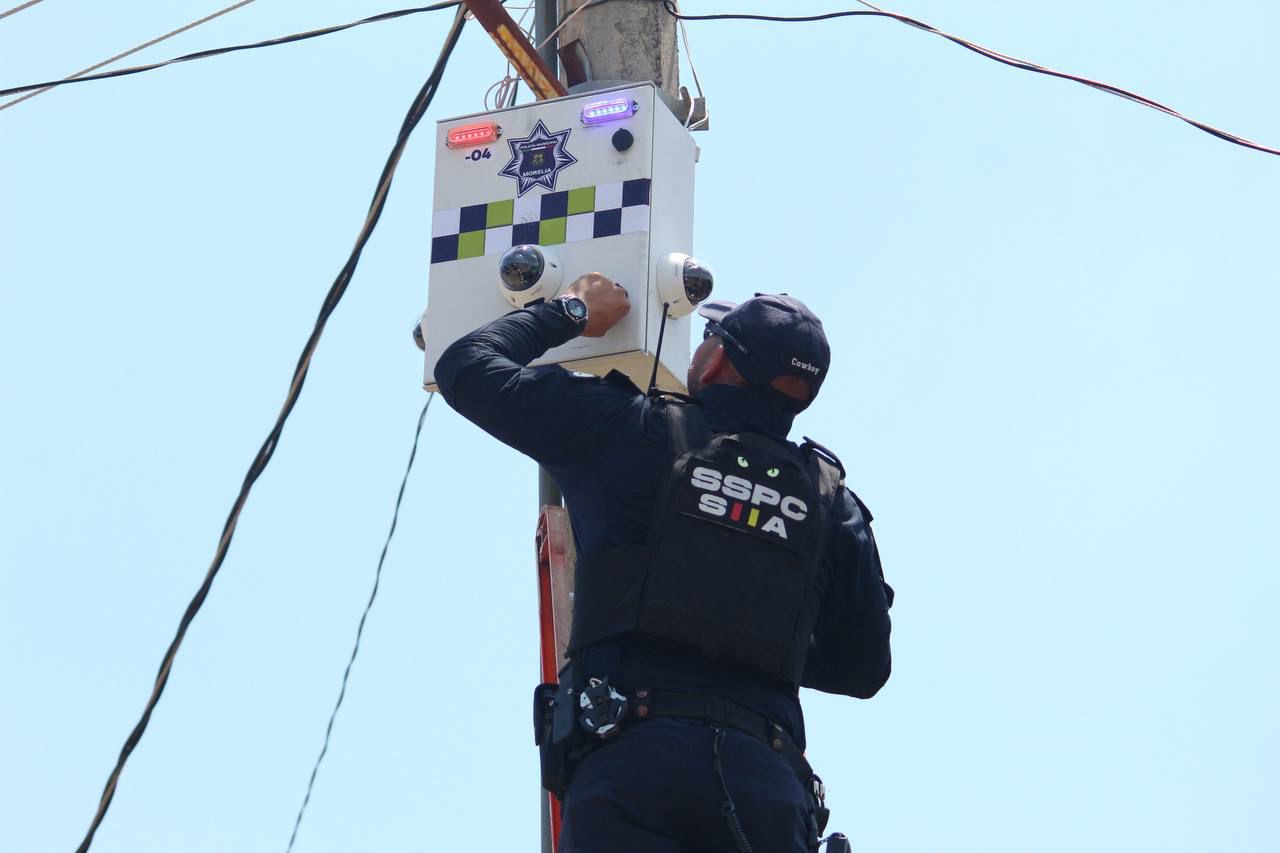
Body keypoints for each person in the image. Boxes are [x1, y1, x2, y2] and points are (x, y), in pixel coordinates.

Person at [435, 272, 893, 853]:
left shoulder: (631, 428)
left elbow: (467, 368)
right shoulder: (832, 503)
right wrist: (753, 625)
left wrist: (573, 310)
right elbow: (863, 667)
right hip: (766, 788)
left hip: (633, 771)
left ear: (719, 358)